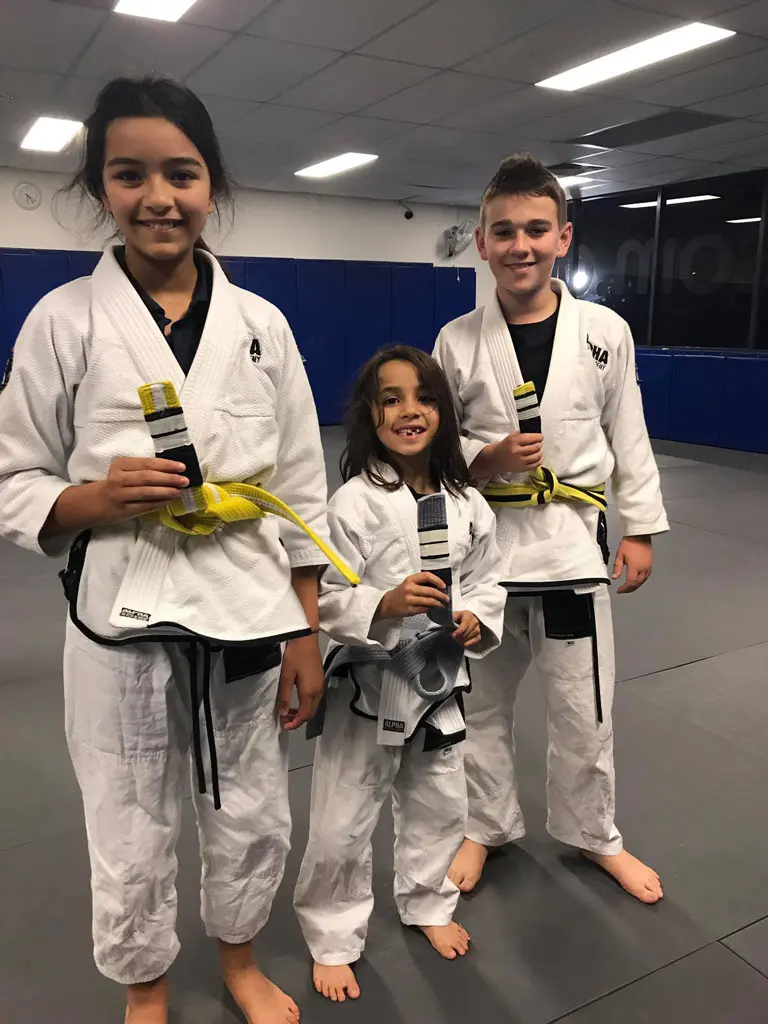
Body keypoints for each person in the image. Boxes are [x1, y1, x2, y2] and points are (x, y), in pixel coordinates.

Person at [0, 77, 355, 1024]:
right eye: (130, 175)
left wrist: (307, 631)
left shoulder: (263, 328)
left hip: (247, 603)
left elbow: (300, 492)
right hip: (120, 605)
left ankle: (238, 959)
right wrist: (91, 497)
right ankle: (145, 985)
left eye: (181, 173)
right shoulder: (63, 321)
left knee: (252, 806)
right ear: (100, 188)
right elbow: (14, 477)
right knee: (125, 812)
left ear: (212, 184)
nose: (158, 196)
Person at [433, 154, 668, 905]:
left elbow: (626, 431)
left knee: (581, 708)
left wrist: (641, 529)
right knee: (478, 705)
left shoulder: (605, 332)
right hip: (488, 562)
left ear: (563, 236)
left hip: (571, 549)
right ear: (481, 241)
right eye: (504, 231)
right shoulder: (456, 340)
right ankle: (484, 825)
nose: (520, 245)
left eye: (536, 229)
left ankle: (595, 835)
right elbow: (433, 450)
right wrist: (486, 456)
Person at [293, 346, 506, 1002]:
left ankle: (429, 902)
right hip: (373, 678)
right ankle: (332, 934)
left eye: (424, 398)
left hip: (440, 679)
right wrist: (380, 605)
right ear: (368, 415)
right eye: (391, 399)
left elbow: (488, 577)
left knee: (441, 799)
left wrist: (474, 616)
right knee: (344, 810)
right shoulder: (351, 504)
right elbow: (322, 593)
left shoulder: (468, 501)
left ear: (442, 411)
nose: (409, 411)